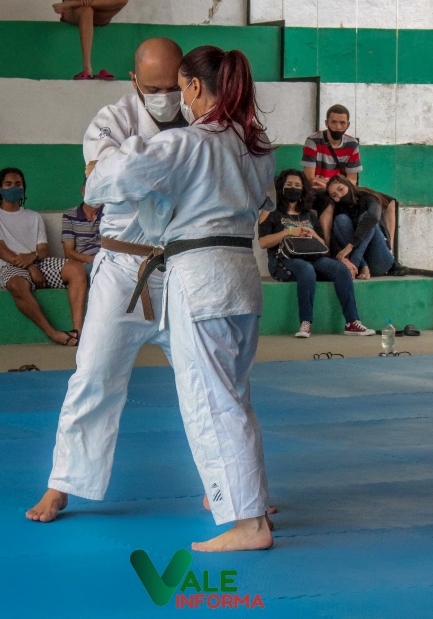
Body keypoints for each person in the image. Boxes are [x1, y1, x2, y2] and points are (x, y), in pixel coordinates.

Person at [72, 45, 276, 552]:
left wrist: (102, 164)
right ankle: (246, 498)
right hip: (243, 275)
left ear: (195, 87)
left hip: (201, 278)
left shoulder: (186, 142)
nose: (177, 99)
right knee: (234, 396)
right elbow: (261, 201)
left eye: (180, 87)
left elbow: (103, 182)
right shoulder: (256, 144)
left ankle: (249, 523)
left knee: (210, 401)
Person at [26, 38, 184, 526]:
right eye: (153, 88)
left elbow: (118, 177)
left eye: (173, 87)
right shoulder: (111, 120)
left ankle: (232, 489)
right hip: (122, 270)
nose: (165, 97)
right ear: (134, 81)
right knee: (93, 375)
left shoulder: (202, 117)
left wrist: (129, 167)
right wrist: (161, 170)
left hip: (184, 268)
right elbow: (98, 184)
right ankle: (62, 484)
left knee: (213, 382)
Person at [0, 167, 88, 346]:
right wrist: (30, 267)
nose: (13, 188)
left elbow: (43, 250)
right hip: (8, 266)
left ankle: (77, 331)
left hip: (38, 261)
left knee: (76, 268)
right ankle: (53, 333)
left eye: (18, 184)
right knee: (17, 285)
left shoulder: (34, 216)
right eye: (8, 184)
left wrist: (33, 259)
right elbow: (1, 251)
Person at [259, 169, 372, 337]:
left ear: (303, 189)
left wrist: (312, 234)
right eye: (289, 184)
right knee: (306, 270)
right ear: (281, 187)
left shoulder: (308, 214)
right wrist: (289, 232)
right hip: (283, 259)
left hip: (312, 257)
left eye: (297, 185)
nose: (293, 188)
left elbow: (322, 244)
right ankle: (305, 323)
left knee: (340, 269)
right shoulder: (271, 211)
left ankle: (352, 322)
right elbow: (263, 242)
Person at [324, 175, 397, 282]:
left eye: (340, 189)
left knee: (368, 220)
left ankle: (356, 261)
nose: (339, 196)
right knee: (341, 219)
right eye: (334, 195)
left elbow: (373, 217)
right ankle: (362, 266)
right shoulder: (338, 208)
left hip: (380, 260)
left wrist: (351, 246)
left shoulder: (368, 197)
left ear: (348, 185)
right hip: (360, 265)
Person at [61, 185, 103, 269]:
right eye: (93, 191)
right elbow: (68, 253)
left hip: (107, 260)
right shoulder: (70, 215)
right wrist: (96, 261)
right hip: (85, 264)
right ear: (83, 191)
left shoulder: (108, 214)